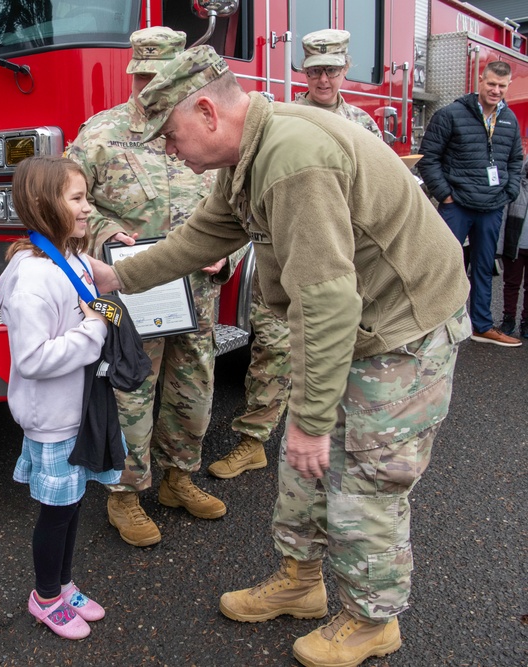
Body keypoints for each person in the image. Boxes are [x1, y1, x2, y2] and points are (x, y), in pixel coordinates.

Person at [90, 45, 472, 667]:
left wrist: (315, 422)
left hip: (400, 337)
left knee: (365, 477)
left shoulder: (292, 160)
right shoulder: (250, 153)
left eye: (170, 134)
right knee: (305, 469)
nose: (166, 151)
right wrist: (118, 278)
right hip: (353, 324)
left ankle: (373, 621)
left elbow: (327, 303)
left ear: (208, 112)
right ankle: (301, 582)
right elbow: (203, 237)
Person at [66, 27, 227, 547]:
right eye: (142, 76)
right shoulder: (100, 133)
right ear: (130, 73)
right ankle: (126, 495)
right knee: (132, 388)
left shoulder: (203, 128)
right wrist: (106, 233)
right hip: (134, 287)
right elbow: (63, 203)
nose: (150, 86)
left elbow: (239, 208)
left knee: (195, 384)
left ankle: (180, 478)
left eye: (161, 76)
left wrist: (228, 255)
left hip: (198, 292)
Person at [208, 28, 381, 479]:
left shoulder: (363, 125)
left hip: (344, 268)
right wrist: (226, 255)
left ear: (345, 70)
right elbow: (247, 203)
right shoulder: (279, 122)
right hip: (283, 269)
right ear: (303, 72)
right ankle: (254, 440)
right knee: (272, 350)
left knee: (342, 352)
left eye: (332, 70)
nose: (323, 79)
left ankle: (335, 441)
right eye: (315, 71)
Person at [0, 156, 120, 640]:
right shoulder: (32, 278)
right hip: (53, 419)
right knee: (57, 513)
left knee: (73, 506)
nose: (88, 208)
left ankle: (64, 584)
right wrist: (94, 330)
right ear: (45, 205)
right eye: (78, 199)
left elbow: (84, 278)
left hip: (77, 410)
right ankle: (45, 596)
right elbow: (33, 359)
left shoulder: (63, 256)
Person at [418, 60, 524, 347]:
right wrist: (445, 195)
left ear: (507, 86)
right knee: (444, 265)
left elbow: (515, 160)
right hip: (457, 205)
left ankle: (481, 325)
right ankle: (434, 325)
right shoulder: (451, 114)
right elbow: (428, 157)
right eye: (491, 84)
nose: (496, 90)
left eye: (502, 86)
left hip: (492, 207)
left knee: (483, 267)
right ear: (480, 80)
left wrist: (509, 191)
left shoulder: (509, 119)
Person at [498, 164, 528, 338]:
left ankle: (526, 322)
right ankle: (508, 318)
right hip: (515, 244)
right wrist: (499, 246)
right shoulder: (516, 186)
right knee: (511, 284)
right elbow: (503, 218)